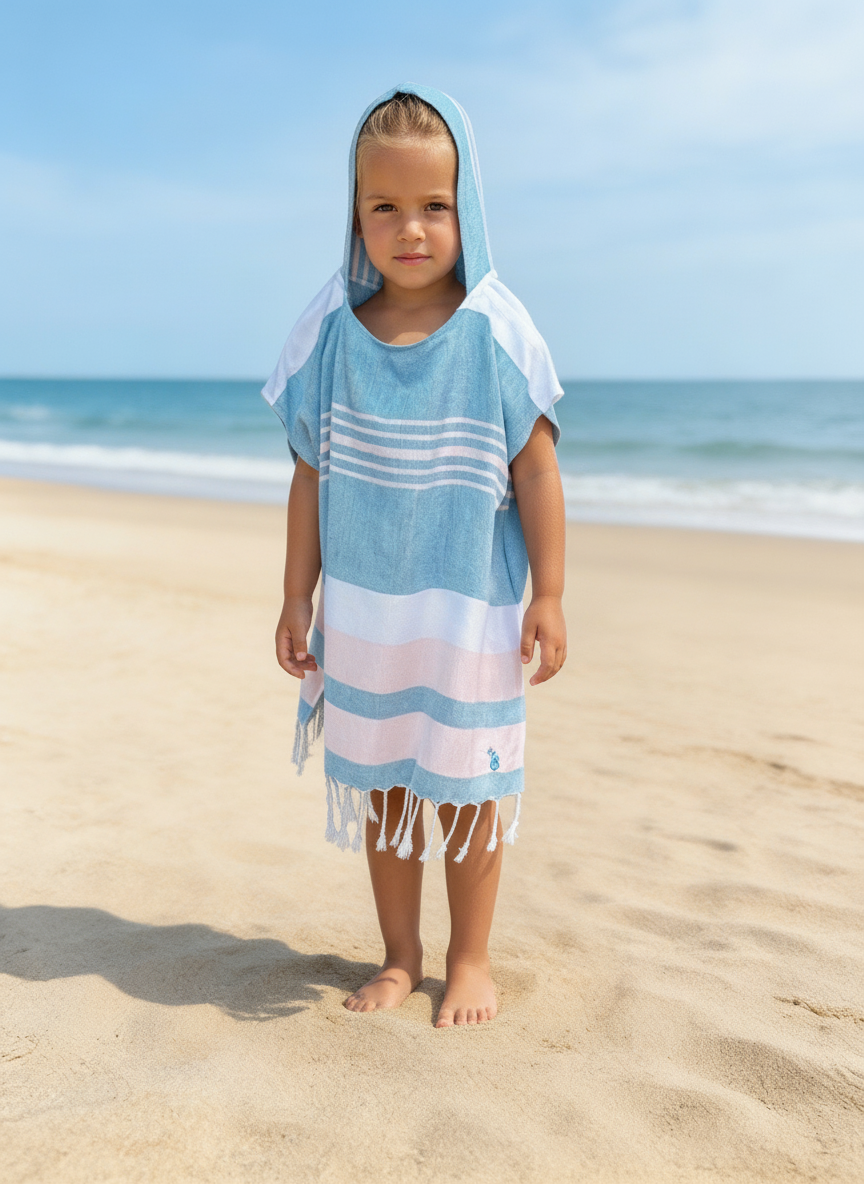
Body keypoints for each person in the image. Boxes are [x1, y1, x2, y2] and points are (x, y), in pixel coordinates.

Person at [262, 85, 566, 1028]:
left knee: (468, 788)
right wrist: (294, 599)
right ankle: (401, 956)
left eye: (433, 206)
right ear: (355, 214)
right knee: (388, 785)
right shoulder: (329, 335)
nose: (410, 229)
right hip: (365, 612)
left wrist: (548, 596)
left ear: (465, 209)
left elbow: (539, 472)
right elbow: (310, 476)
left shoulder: (497, 329)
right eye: (384, 207)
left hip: (470, 608)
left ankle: (470, 959)